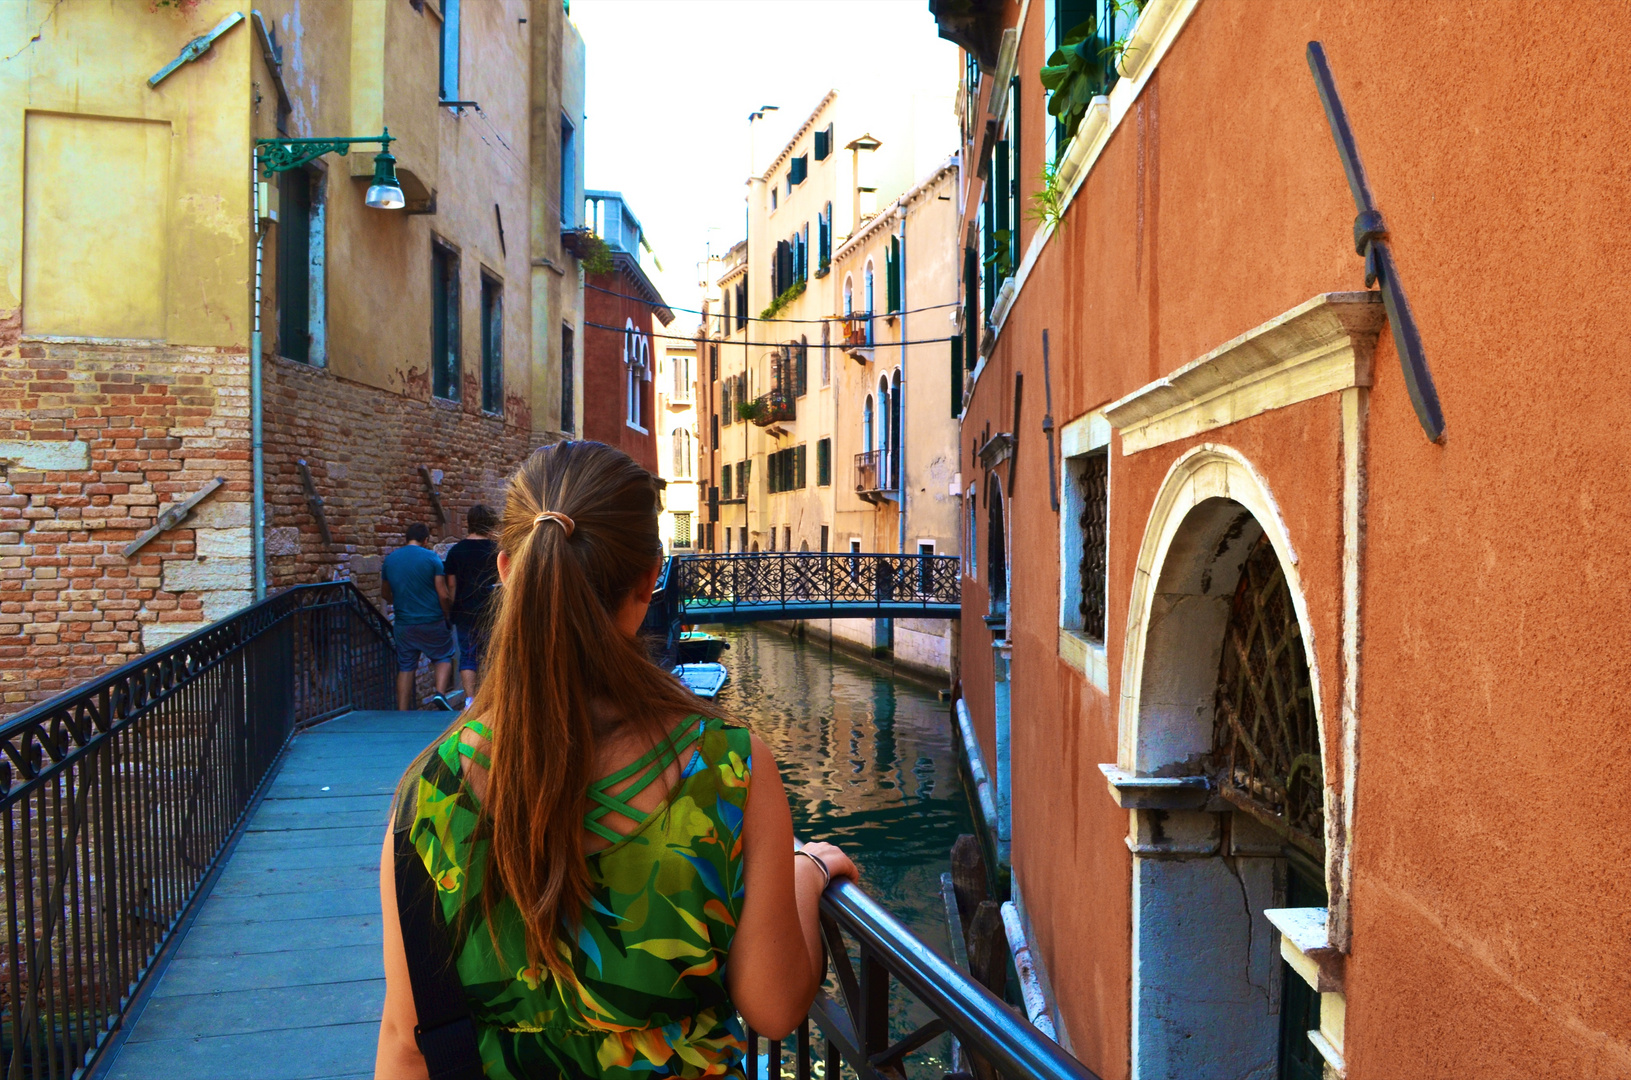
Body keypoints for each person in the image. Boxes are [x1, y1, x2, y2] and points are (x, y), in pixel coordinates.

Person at [376, 441, 856, 1080]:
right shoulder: (725, 768)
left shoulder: (431, 788)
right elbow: (773, 1006)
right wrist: (807, 869)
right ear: (650, 576)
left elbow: (407, 1039)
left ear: (508, 570)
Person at [380, 522, 454, 711]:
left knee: (406, 666)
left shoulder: (390, 560)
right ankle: (439, 693)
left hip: (404, 624)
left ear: (407, 538)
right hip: (432, 620)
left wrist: (398, 601)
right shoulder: (432, 558)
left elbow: (385, 593)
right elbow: (443, 594)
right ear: (426, 540)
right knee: (443, 656)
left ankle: (402, 710)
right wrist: (447, 616)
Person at [442, 504, 500, 707]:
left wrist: (453, 606)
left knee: (468, 656)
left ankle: (469, 701)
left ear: (470, 523)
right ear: (490, 523)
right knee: (494, 655)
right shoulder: (497, 550)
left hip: (465, 611)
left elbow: (451, 584)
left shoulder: (456, 551)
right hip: (492, 611)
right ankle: (494, 698)